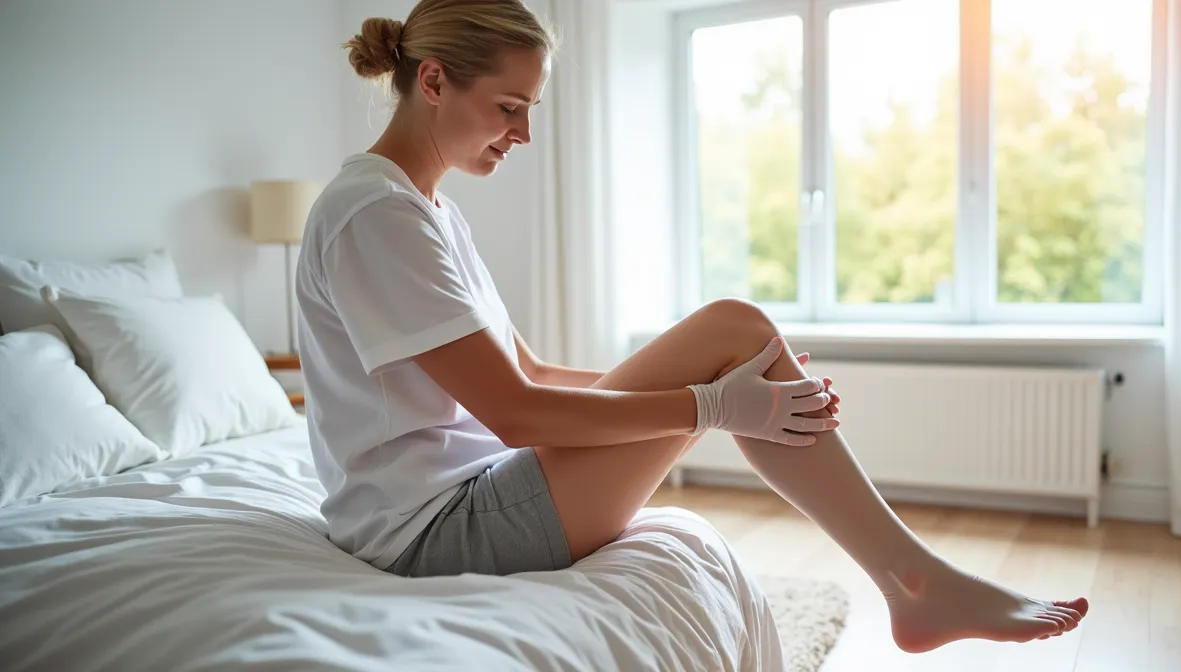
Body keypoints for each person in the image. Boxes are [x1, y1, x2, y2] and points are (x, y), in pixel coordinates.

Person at [296, 0, 1089, 654]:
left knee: (735, 339)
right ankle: (914, 580)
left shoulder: (426, 210)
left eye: (530, 112)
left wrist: (727, 389)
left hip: (473, 496)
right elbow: (517, 412)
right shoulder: (375, 215)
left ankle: (912, 582)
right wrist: (715, 405)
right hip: (437, 531)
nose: (524, 135)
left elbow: (529, 374)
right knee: (732, 329)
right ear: (432, 80)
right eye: (509, 108)